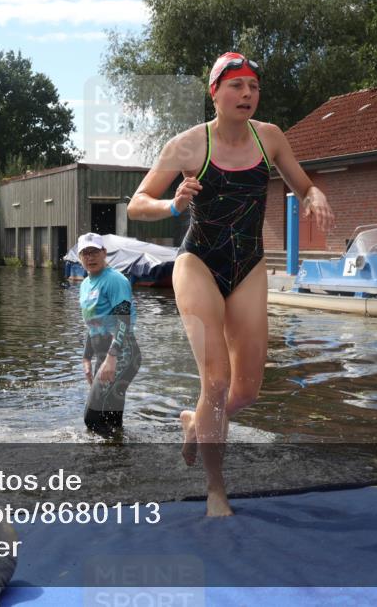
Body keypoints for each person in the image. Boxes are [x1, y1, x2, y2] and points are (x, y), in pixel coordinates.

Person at [126, 52, 335, 516]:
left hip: (249, 266)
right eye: (237, 86)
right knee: (216, 381)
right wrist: (172, 205)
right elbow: (136, 204)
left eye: (253, 88)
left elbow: (304, 186)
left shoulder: (271, 138)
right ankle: (216, 488)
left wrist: (315, 195)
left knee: (247, 391)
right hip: (198, 261)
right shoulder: (187, 145)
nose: (247, 95)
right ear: (214, 92)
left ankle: (193, 420)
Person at [76, 233, 141, 437]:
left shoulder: (115, 280)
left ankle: (108, 459)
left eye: (94, 252)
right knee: (110, 417)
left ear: (104, 253)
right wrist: (86, 357)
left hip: (122, 354)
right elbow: (93, 324)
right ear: (79, 257)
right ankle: (118, 460)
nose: (90, 257)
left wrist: (112, 357)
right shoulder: (85, 285)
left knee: (92, 417)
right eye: (85, 253)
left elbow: (123, 321)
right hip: (103, 355)